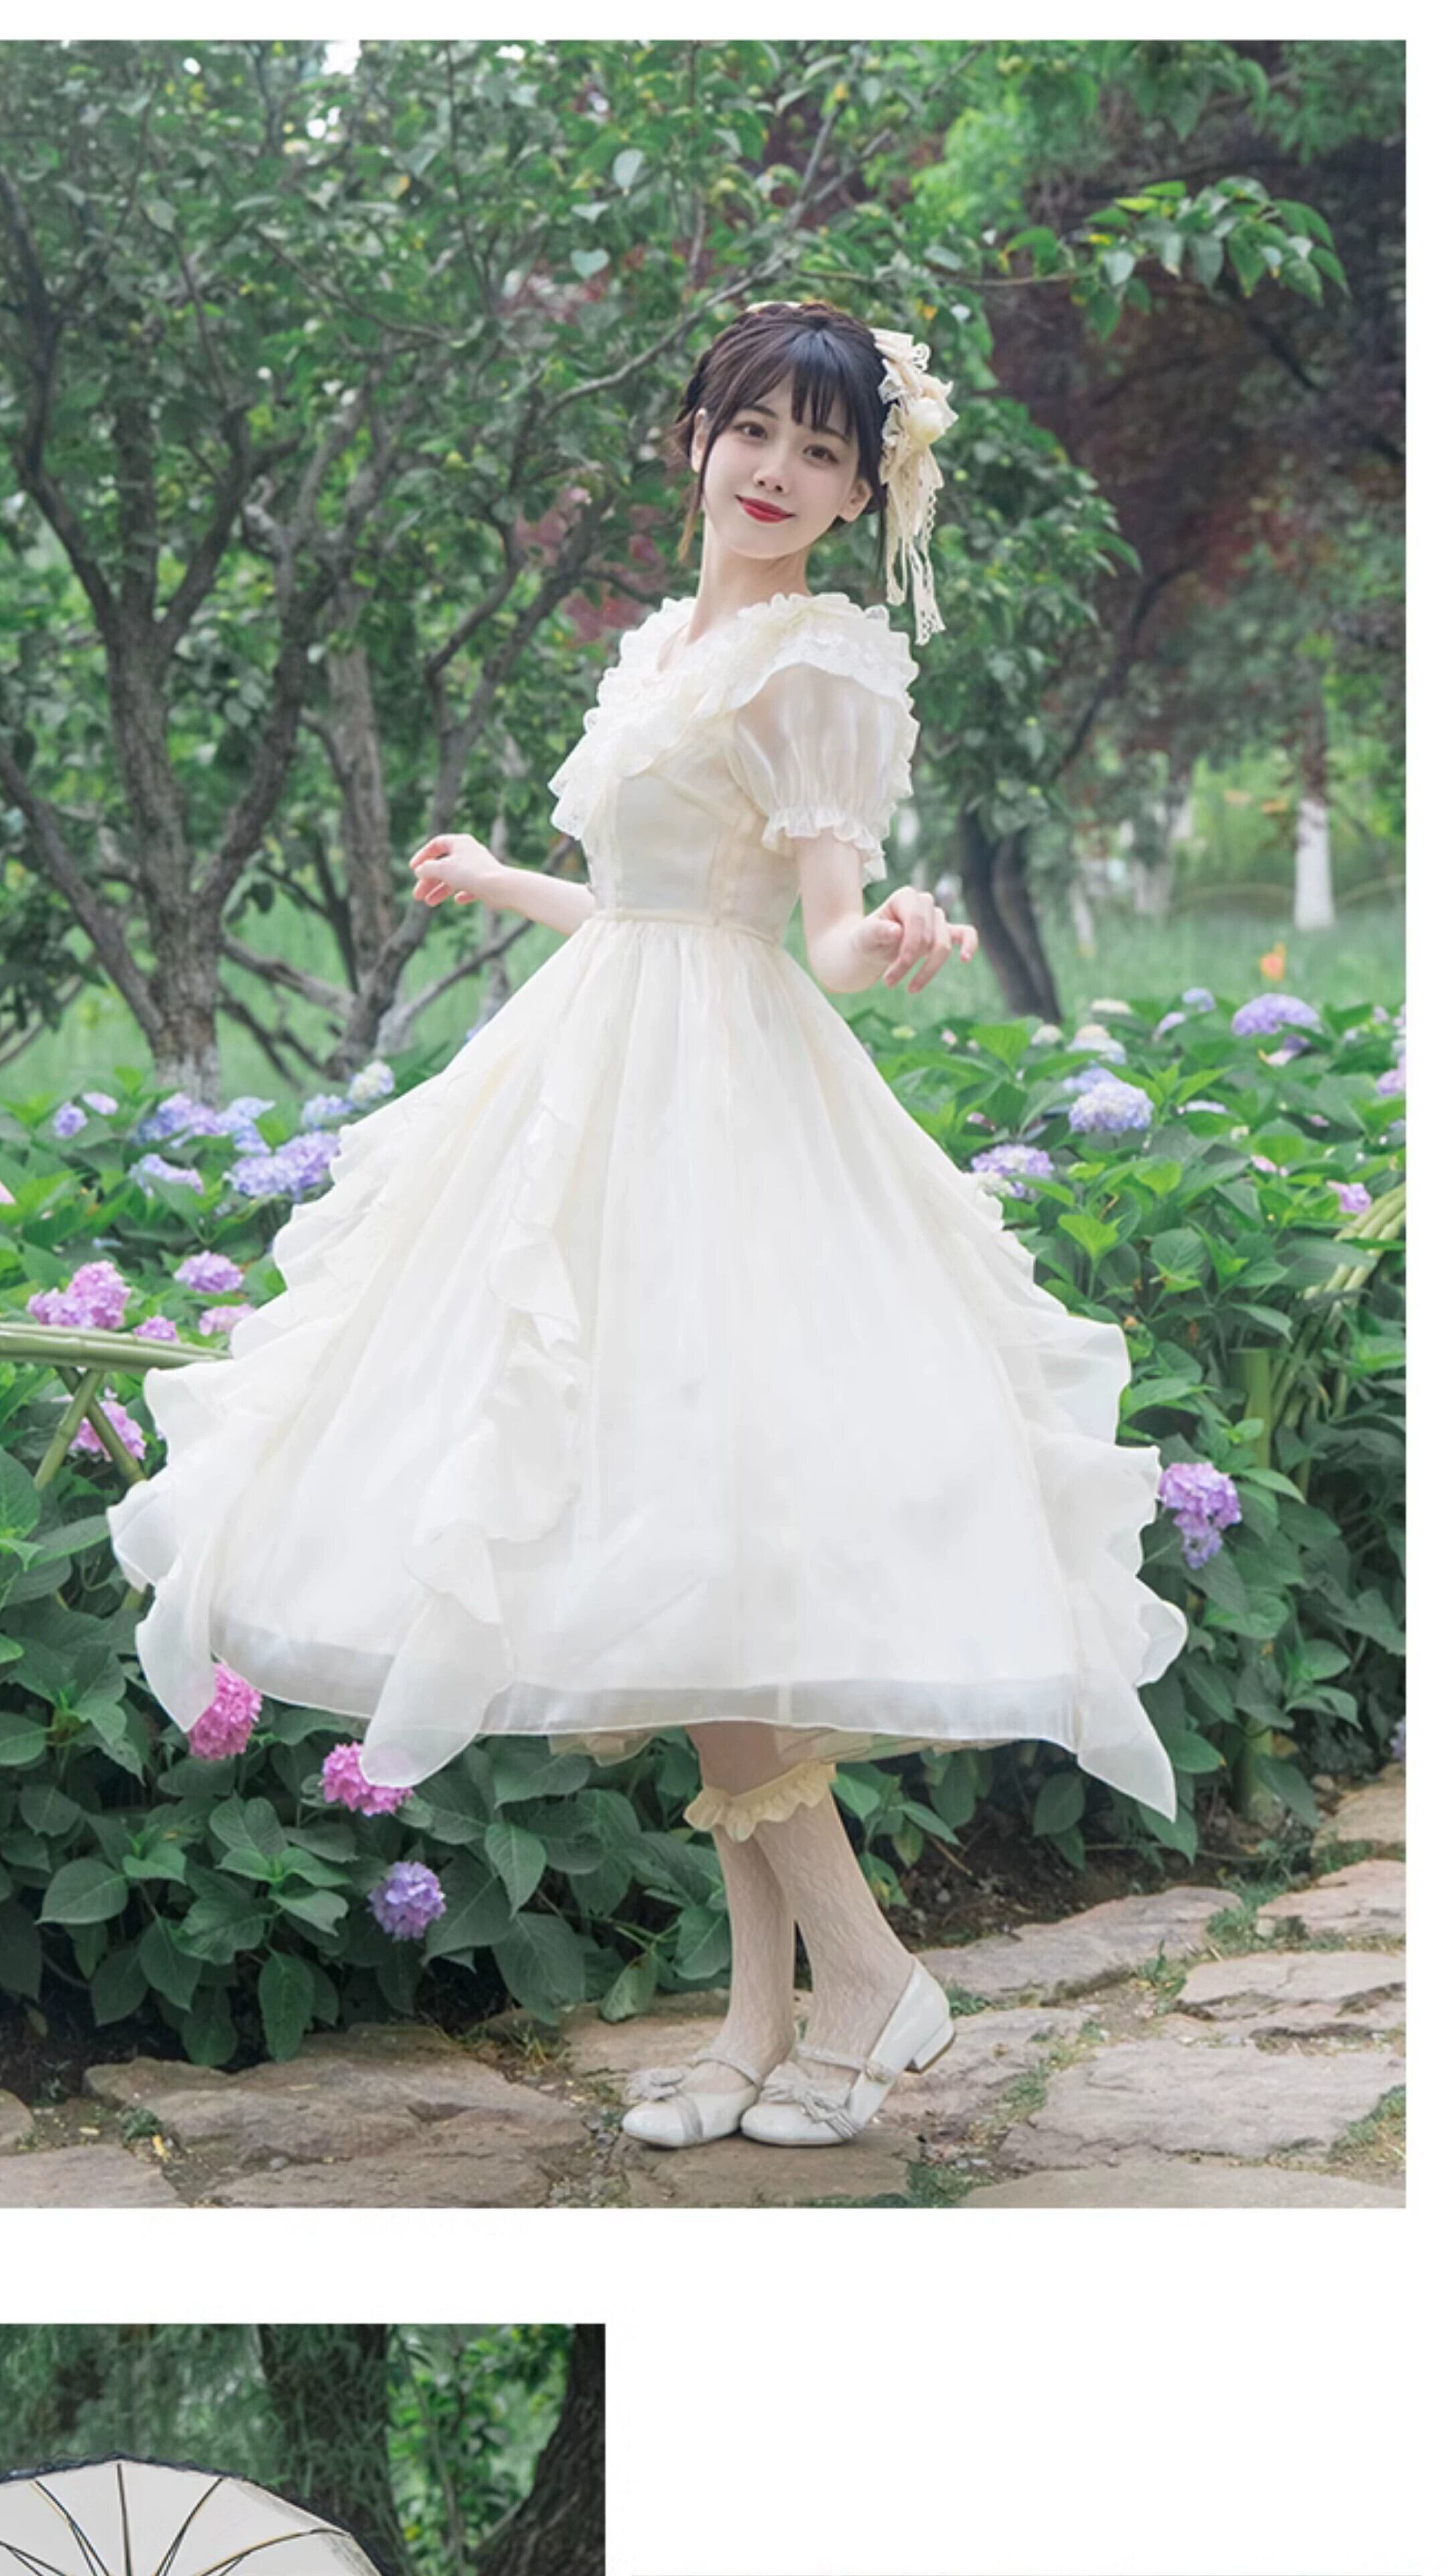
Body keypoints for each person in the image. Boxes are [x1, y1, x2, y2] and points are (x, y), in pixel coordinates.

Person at [107, 298, 1186, 2153]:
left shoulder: (818, 666)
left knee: (704, 1539)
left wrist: (897, 940)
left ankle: (867, 1974)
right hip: (602, 1076)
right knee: (677, 1560)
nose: (777, 470)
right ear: (695, 435)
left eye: (824, 452)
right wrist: (499, 878)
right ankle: (759, 2023)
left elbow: (817, 931)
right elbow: (644, 905)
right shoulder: (666, 650)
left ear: (862, 496)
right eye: (753, 429)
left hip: (724, 1114)